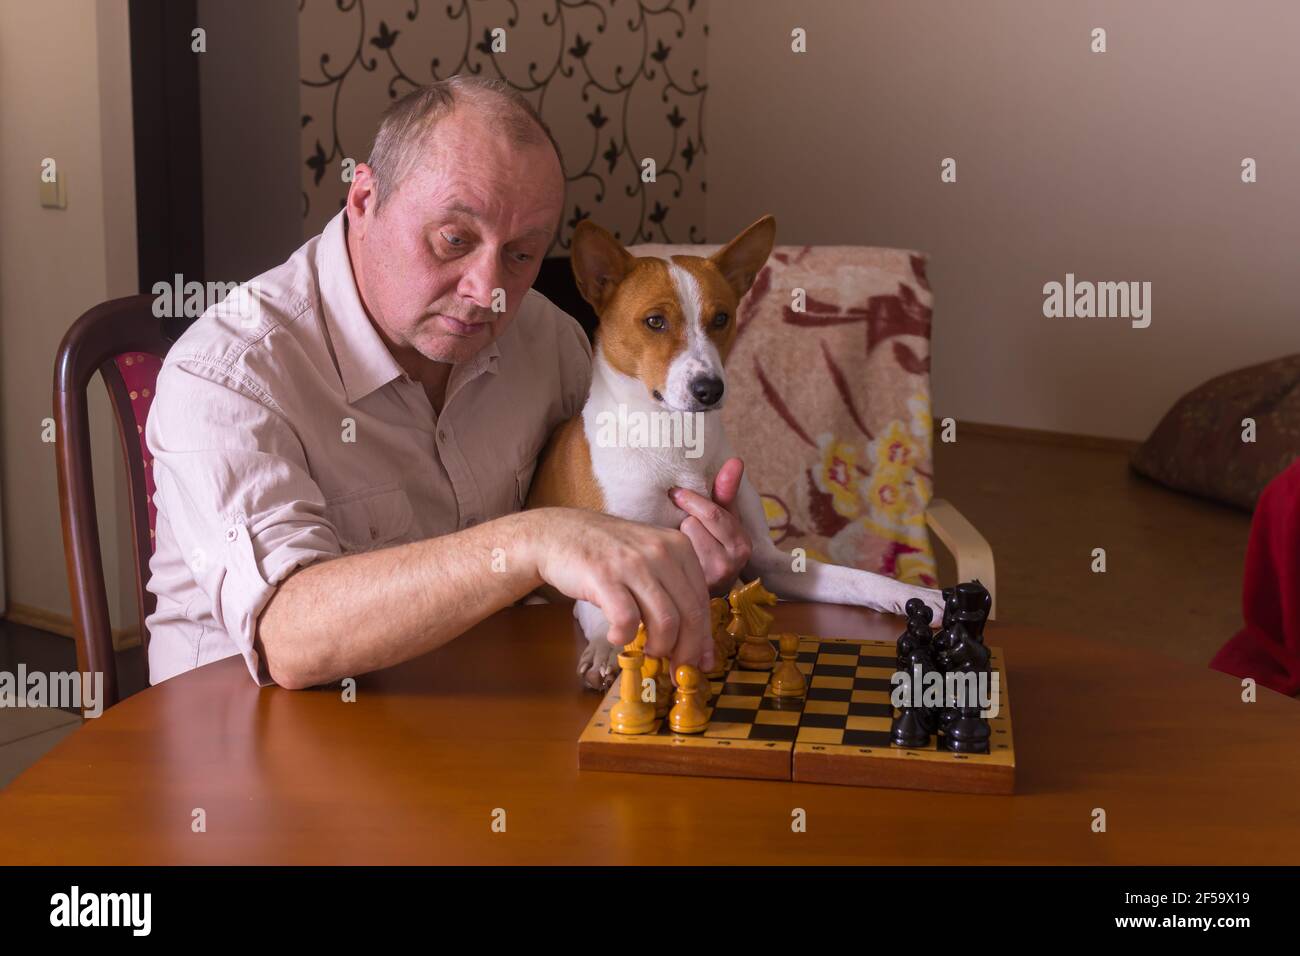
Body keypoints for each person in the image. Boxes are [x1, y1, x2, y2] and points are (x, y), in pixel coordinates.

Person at [144, 76, 751, 690]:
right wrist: (531, 541)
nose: (485, 289)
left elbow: (595, 551)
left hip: (476, 713)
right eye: (454, 240)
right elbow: (289, 639)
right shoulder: (229, 373)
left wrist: (688, 563)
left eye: (520, 255)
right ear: (363, 199)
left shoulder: (548, 341)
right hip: (247, 735)